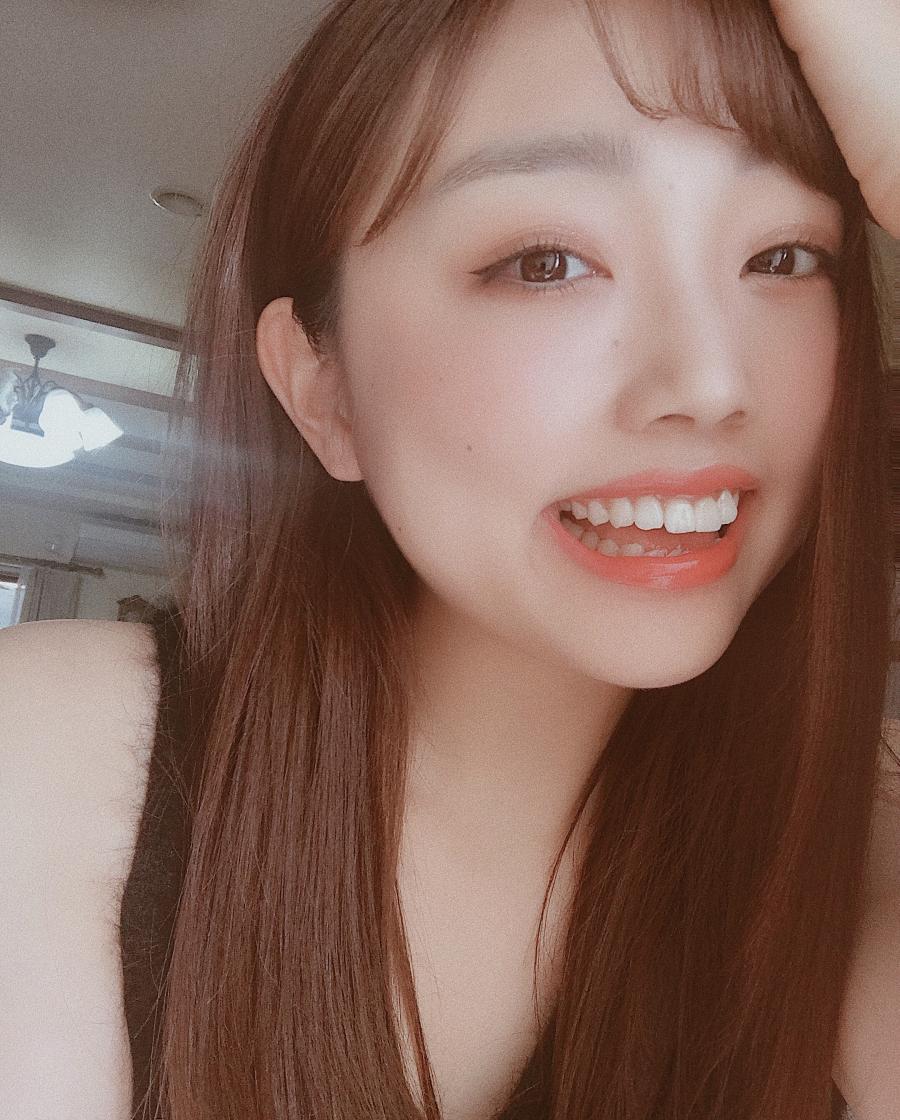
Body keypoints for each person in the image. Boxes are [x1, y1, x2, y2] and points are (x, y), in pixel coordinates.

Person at [2, 0, 898, 1117]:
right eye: (545, 262)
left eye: (783, 256)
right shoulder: (55, 758)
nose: (712, 383)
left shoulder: (854, 849)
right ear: (322, 389)